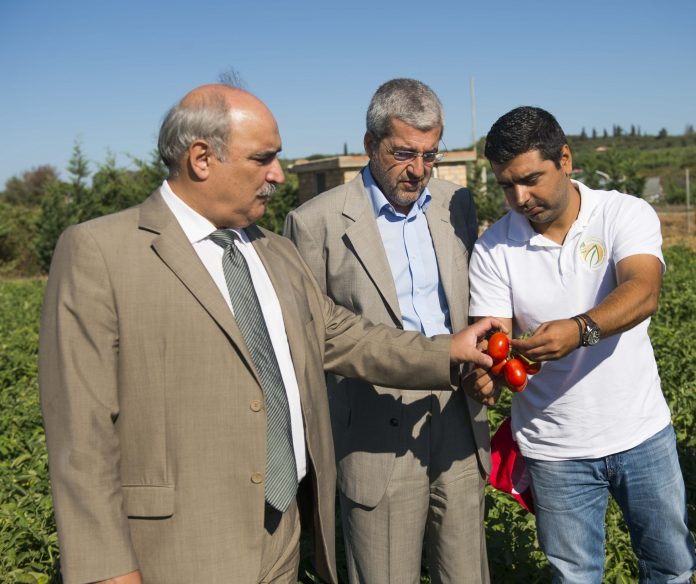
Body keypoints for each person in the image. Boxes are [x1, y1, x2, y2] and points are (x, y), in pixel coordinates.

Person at [38, 84, 502, 584]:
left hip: (283, 535)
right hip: (180, 548)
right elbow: (81, 436)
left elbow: (343, 335)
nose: (278, 175)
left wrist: (445, 351)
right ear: (201, 158)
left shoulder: (273, 251)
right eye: (264, 159)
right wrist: (107, 569)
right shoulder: (101, 252)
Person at [466, 106, 695, 582]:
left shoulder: (621, 213)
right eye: (506, 184)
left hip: (641, 432)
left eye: (530, 179)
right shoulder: (493, 248)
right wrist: (488, 372)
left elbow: (643, 290)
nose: (519, 197)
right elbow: (495, 338)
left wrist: (579, 330)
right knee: (574, 575)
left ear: (565, 159)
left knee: (670, 566)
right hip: (554, 447)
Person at [284, 78, 490, 583]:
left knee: (466, 572)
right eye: (403, 153)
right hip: (375, 428)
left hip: (458, 417)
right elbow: (311, 342)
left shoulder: (455, 204)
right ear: (369, 145)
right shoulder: (316, 223)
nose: (418, 170)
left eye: (430, 155)